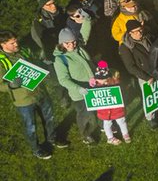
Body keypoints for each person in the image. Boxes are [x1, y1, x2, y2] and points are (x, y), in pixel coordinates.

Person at [1, 30, 67, 158]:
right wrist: (10, 85)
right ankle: (36, 149)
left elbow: (36, 63)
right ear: (2, 45)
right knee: (30, 126)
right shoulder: (1, 61)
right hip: (23, 99)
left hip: (40, 91)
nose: (16, 44)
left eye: (16, 41)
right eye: (12, 43)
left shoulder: (24, 50)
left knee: (49, 118)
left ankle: (52, 138)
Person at [52, 25, 99, 145]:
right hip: (79, 92)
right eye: (68, 43)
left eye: (73, 42)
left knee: (94, 110)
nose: (72, 45)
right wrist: (79, 88)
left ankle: (98, 126)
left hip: (92, 86)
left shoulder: (80, 49)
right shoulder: (60, 60)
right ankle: (86, 134)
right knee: (85, 114)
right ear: (61, 44)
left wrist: (95, 76)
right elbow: (63, 80)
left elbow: (89, 63)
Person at [91, 60, 130, 145]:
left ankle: (125, 134)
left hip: (116, 109)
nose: (101, 81)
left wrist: (116, 82)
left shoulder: (114, 82)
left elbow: (120, 89)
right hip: (104, 110)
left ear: (108, 77)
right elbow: (91, 95)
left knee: (121, 121)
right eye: (99, 79)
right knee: (107, 124)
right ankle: (110, 138)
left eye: (104, 79)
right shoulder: (95, 86)